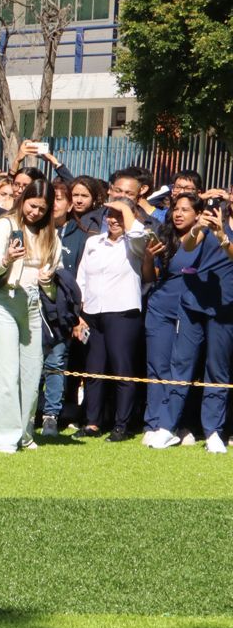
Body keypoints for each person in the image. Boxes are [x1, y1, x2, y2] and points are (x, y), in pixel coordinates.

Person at [0, 177, 60, 454]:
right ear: (22, 199)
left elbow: (50, 289)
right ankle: (3, 438)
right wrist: (6, 259)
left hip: (33, 304)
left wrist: (48, 278)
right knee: (5, 372)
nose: (35, 212)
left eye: (42, 208)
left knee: (31, 372)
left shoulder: (50, 234)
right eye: (32, 205)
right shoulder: (5, 225)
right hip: (3, 300)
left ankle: (25, 433)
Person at [156, 191, 233, 452]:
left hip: (225, 306)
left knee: (217, 370)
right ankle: (167, 427)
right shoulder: (212, 216)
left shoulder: (224, 227)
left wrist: (223, 236)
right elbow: (189, 246)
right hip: (192, 304)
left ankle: (213, 432)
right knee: (181, 365)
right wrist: (196, 229)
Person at [74, 197, 150, 441]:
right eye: (110, 214)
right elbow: (81, 278)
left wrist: (127, 209)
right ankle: (93, 422)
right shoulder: (93, 242)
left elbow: (138, 234)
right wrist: (78, 313)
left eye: (120, 215)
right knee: (94, 369)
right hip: (93, 314)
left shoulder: (134, 241)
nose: (114, 220)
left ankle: (122, 425)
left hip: (123, 313)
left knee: (122, 370)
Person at [142, 191, 199, 447]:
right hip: (159, 308)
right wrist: (146, 256)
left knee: (183, 368)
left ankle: (178, 423)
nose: (178, 214)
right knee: (158, 367)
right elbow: (149, 278)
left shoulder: (204, 239)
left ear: (197, 214)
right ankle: (154, 422)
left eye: (185, 209)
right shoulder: (164, 236)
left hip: (190, 310)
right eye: (175, 209)